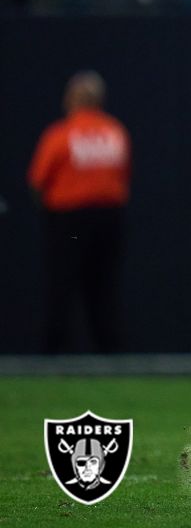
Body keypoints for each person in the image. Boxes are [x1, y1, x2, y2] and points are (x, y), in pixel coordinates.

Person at [28, 71, 130, 353]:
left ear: (71, 99)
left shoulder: (61, 135)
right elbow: (122, 176)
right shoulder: (114, 131)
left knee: (62, 286)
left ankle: (55, 352)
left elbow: (37, 181)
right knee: (103, 287)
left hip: (69, 218)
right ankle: (110, 351)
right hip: (109, 217)